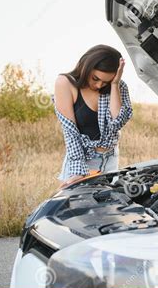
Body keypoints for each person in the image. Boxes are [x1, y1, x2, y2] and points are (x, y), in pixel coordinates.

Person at [54, 44, 133, 188]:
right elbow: (70, 132)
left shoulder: (118, 86)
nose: (99, 85)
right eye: (95, 78)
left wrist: (114, 85)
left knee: (107, 208)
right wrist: (78, 171)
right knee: (76, 208)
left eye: (105, 82)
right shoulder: (65, 83)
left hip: (110, 158)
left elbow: (117, 122)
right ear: (85, 66)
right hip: (82, 159)